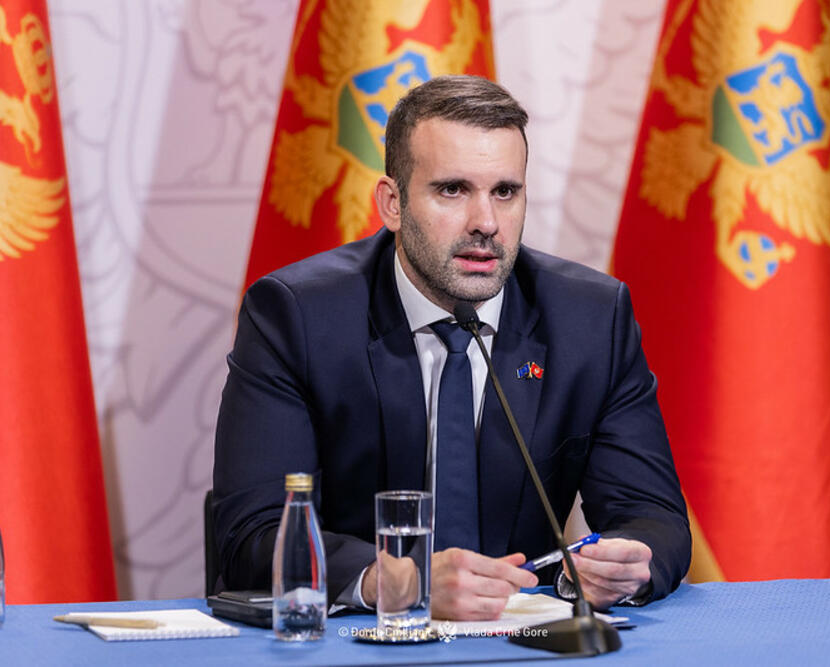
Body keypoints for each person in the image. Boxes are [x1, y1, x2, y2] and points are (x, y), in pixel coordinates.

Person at [213, 75, 690, 620]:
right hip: (361, 643)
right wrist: (404, 582)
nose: (485, 223)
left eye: (505, 192)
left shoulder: (589, 319)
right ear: (393, 203)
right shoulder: (297, 315)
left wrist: (629, 563)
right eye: (453, 190)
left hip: (524, 639)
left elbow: (654, 518)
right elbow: (253, 532)